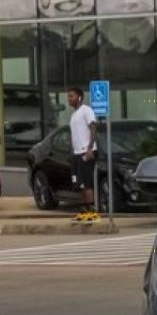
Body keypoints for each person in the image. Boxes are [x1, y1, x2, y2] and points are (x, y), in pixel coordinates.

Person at [66, 86, 98, 222]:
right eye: (68, 97)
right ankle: (84, 211)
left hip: (86, 151)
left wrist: (90, 148)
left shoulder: (87, 110)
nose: (69, 99)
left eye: (71, 96)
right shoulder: (74, 115)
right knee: (79, 183)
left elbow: (93, 128)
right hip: (77, 153)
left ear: (79, 97)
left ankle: (92, 212)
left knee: (87, 182)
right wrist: (72, 152)